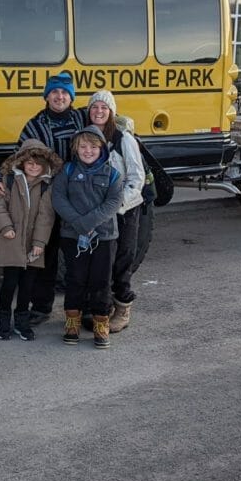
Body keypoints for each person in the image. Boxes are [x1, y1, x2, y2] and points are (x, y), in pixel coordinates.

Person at [0, 70, 85, 327]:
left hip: (80, 195)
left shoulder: (82, 117)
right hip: (48, 197)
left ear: (72, 97)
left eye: (65, 92)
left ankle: (85, 308)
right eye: (54, 91)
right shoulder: (34, 125)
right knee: (46, 253)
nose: (60, 96)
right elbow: (16, 159)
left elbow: (105, 130)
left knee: (82, 253)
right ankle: (41, 307)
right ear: (47, 96)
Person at [51, 125, 123, 348]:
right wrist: (78, 223)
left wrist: (87, 223)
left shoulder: (113, 174)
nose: (88, 151)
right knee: (75, 279)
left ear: (101, 148)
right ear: (76, 148)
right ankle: (72, 321)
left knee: (101, 280)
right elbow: (58, 199)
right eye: (83, 146)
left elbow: (113, 203)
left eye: (93, 146)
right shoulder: (68, 171)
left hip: (104, 237)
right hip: (73, 237)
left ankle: (101, 323)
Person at [86, 90, 145, 333]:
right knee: (100, 261)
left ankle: (122, 309)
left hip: (124, 210)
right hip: (99, 212)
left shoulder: (124, 140)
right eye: (94, 107)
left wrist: (118, 204)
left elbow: (137, 177)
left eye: (104, 108)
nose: (99, 112)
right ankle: (103, 306)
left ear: (112, 112)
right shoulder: (88, 139)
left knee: (122, 258)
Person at [0, 139, 61, 341]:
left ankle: (22, 320)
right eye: (30, 162)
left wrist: (40, 243)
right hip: (10, 241)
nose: (34, 167)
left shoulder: (46, 186)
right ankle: (3, 318)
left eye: (38, 163)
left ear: (45, 165)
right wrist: (6, 227)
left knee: (28, 285)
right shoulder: (9, 180)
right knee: (9, 283)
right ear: (21, 162)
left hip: (33, 245)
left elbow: (46, 217)